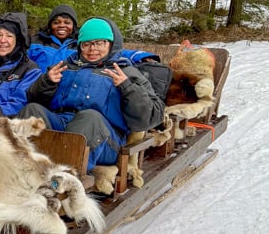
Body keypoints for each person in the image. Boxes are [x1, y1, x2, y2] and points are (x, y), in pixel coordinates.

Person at [20, 17, 165, 172]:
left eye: (99, 43)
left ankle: (65, 178)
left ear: (110, 44)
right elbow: (35, 98)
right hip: (63, 126)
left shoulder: (126, 72)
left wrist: (128, 87)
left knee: (89, 118)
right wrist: (47, 82)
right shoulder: (66, 67)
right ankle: (19, 169)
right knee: (32, 111)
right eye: (86, 44)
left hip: (105, 139)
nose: (92, 49)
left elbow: (151, 116)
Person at [28, 5, 79, 72]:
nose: (62, 25)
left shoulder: (81, 45)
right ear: (50, 25)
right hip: (39, 82)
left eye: (67, 23)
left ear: (73, 26)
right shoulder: (34, 42)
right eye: (56, 23)